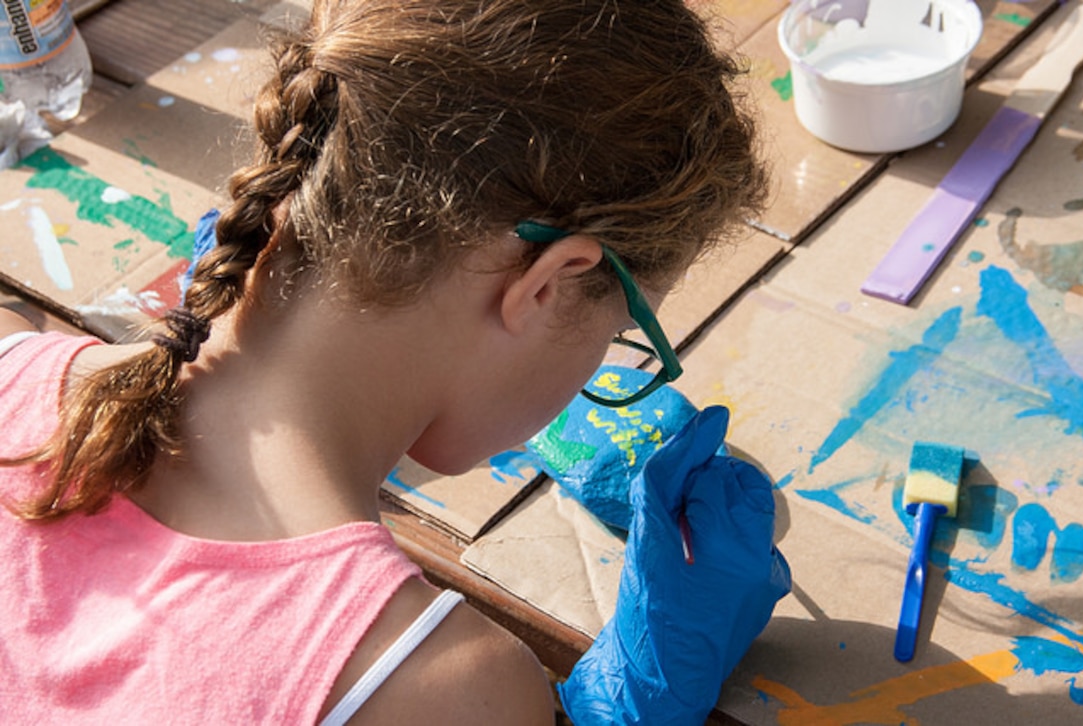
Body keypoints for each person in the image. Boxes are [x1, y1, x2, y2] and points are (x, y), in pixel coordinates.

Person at [0, 0, 777, 723]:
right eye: (619, 335)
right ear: (547, 285)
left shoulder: (13, 367)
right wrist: (636, 698)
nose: (599, 369)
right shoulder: (437, 685)